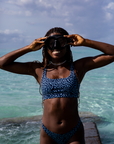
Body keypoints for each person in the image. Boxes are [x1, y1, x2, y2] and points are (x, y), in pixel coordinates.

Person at [0, 27, 114, 144]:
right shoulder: (38, 69)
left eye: (61, 42)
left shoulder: (78, 67)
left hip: (73, 133)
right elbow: (2, 63)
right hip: (48, 133)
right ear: (45, 46)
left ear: (68, 44)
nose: (56, 46)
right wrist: (29, 48)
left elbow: (112, 53)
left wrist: (85, 42)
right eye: (51, 42)